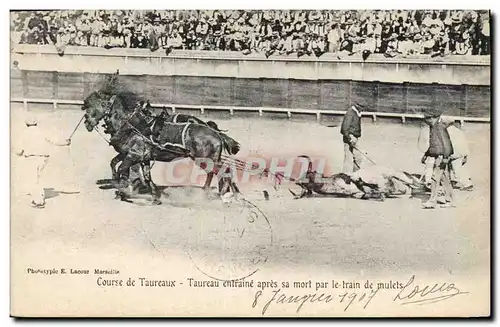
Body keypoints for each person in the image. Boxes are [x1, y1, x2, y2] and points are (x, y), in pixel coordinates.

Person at [12, 112, 77, 208]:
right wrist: (65, 142)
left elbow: (19, 150)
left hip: (32, 158)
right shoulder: (41, 131)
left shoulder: (24, 133)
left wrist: (15, 152)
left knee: (34, 179)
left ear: (26, 124)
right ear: (36, 123)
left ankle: (38, 201)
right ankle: (39, 195)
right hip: (44, 158)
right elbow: (54, 140)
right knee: (39, 177)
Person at [420, 111, 455, 209]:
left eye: (426, 119)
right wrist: (426, 154)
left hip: (441, 156)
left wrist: (445, 157)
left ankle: (432, 201)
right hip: (439, 156)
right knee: (444, 179)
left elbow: (446, 143)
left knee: (435, 178)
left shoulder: (439, 127)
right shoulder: (434, 126)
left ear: (432, 118)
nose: (425, 122)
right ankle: (450, 200)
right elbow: (434, 144)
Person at [340, 101, 364, 173]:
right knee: (350, 157)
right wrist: (349, 138)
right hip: (350, 137)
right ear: (357, 105)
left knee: (357, 157)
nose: (363, 109)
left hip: (354, 137)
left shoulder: (356, 112)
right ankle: (346, 176)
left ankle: (355, 175)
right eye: (362, 107)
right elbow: (345, 127)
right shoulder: (351, 113)